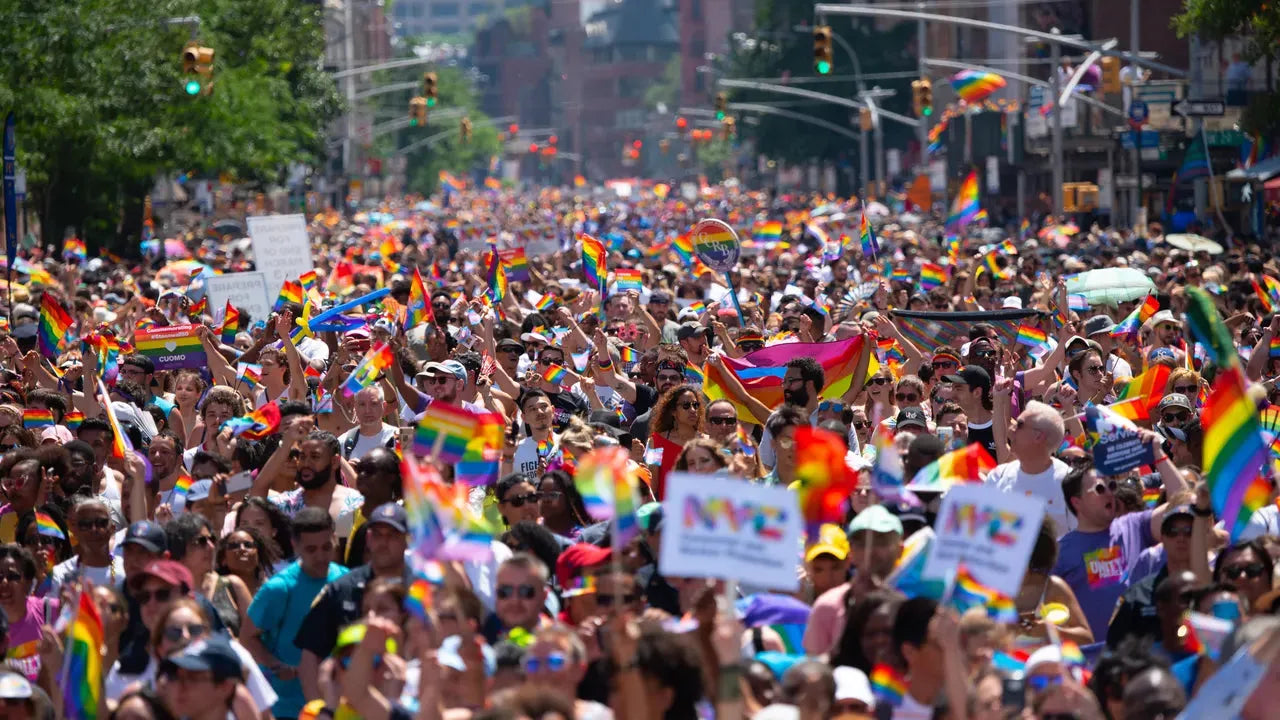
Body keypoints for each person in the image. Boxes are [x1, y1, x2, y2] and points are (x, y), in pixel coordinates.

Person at [1054, 455, 1185, 640]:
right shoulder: (1060, 552)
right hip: (1093, 661)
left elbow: (1185, 506)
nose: (1109, 493)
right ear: (1077, 502)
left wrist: (1157, 453)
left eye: (1112, 486)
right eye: (1100, 488)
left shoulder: (1136, 525)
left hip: (1141, 652)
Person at [293, 503, 409, 702]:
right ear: (368, 539)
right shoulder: (343, 588)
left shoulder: (423, 588)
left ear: (407, 541)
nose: (384, 542)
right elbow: (310, 655)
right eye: (378, 535)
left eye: (392, 535)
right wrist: (318, 708)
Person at [243, 507, 348, 719]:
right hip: (289, 710)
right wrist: (275, 664)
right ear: (295, 545)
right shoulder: (278, 589)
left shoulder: (347, 581)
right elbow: (247, 638)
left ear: (335, 539)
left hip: (341, 707)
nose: (320, 556)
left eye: (326, 547)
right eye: (311, 549)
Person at [985, 399, 1076, 535]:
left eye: (1019, 425)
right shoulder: (998, 476)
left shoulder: (1071, 484)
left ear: (1038, 436)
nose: (1011, 429)